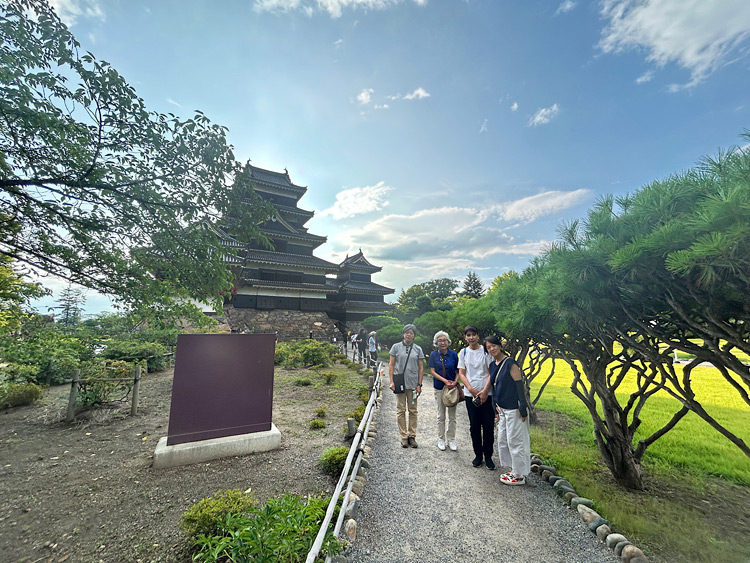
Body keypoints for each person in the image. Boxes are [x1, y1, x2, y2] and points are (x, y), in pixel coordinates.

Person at [484, 335, 530, 485]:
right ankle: (513, 469)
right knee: (503, 440)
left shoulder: (510, 363)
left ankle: (520, 475)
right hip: (501, 408)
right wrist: (494, 407)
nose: (492, 349)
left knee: (515, 441)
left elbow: (519, 385)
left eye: (494, 345)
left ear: (499, 345)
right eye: (488, 347)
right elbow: (494, 387)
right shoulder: (492, 365)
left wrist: (522, 406)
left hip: (513, 408)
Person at [458, 325, 495, 469]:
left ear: (478, 336)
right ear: (465, 337)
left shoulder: (486, 351)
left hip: (487, 394)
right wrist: (470, 389)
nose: (471, 337)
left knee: (488, 425)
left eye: (473, 334)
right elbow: (462, 373)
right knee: (474, 425)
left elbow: (491, 372)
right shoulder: (463, 352)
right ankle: (478, 455)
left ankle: (488, 456)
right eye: (468, 335)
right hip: (470, 395)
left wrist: (485, 390)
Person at [389, 324, 425, 448]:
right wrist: (391, 381)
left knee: (413, 410)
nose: (409, 334)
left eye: (411, 333)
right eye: (407, 332)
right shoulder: (395, 347)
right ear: (403, 334)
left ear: (414, 335)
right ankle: (403, 436)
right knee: (401, 410)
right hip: (400, 384)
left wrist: (419, 384)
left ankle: (412, 436)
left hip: (413, 384)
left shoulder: (418, 349)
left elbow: (421, 368)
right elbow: (391, 365)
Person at [428, 330, 459, 452]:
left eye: (444, 340)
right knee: (441, 415)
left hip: (452, 389)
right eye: (440, 340)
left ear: (448, 341)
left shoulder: (454, 355)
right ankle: (441, 438)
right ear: (436, 342)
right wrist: (445, 381)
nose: (442, 343)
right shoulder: (433, 355)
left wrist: (455, 381)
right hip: (440, 387)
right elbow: (432, 371)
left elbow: (458, 371)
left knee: (452, 416)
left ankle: (451, 439)